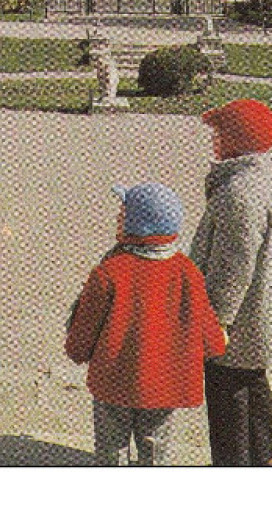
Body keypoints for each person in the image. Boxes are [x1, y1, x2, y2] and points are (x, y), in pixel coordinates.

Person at [66, 183, 227, 465]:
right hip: (164, 385)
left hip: (115, 380)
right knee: (155, 448)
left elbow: (86, 323)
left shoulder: (110, 271)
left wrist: (77, 350)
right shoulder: (186, 271)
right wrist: (216, 343)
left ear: (138, 226)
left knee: (111, 447)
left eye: (123, 212)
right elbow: (205, 323)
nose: (118, 217)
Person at [189, 99, 272, 466]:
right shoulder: (259, 181)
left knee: (228, 398)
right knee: (254, 389)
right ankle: (262, 460)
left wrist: (217, 320)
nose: (214, 141)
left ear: (237, 140)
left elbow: (232, 266)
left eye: (219, 134)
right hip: (258, 316)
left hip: (240, 323)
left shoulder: (240, 193)